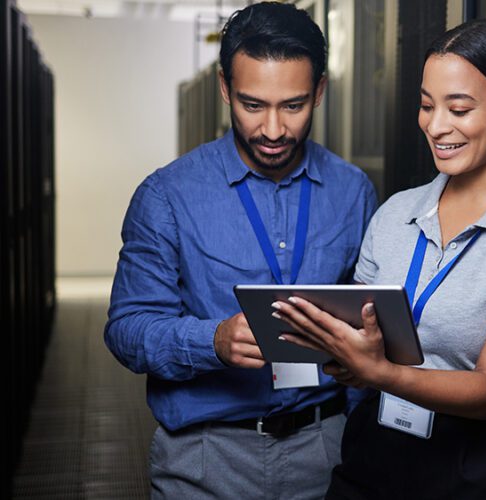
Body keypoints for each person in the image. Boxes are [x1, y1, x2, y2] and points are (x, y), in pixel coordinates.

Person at [272, 19, 486, 499]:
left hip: (482, 466)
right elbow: (361, 326)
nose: (436, 126)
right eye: (426, 105)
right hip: (378, 446)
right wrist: (330, 346)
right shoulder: (397, 211)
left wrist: (381, 372)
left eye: (459, 108)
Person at [104, 2, 377, 499]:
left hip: (325, 447)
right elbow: (126, 329)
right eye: (253, 105)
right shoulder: (167, 195)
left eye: (292, 106)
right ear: (225, 89)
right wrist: (212, 340)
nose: (273, 130)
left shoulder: (353, 190)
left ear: (319, 91)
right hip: (206, 458)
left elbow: (368, 321)